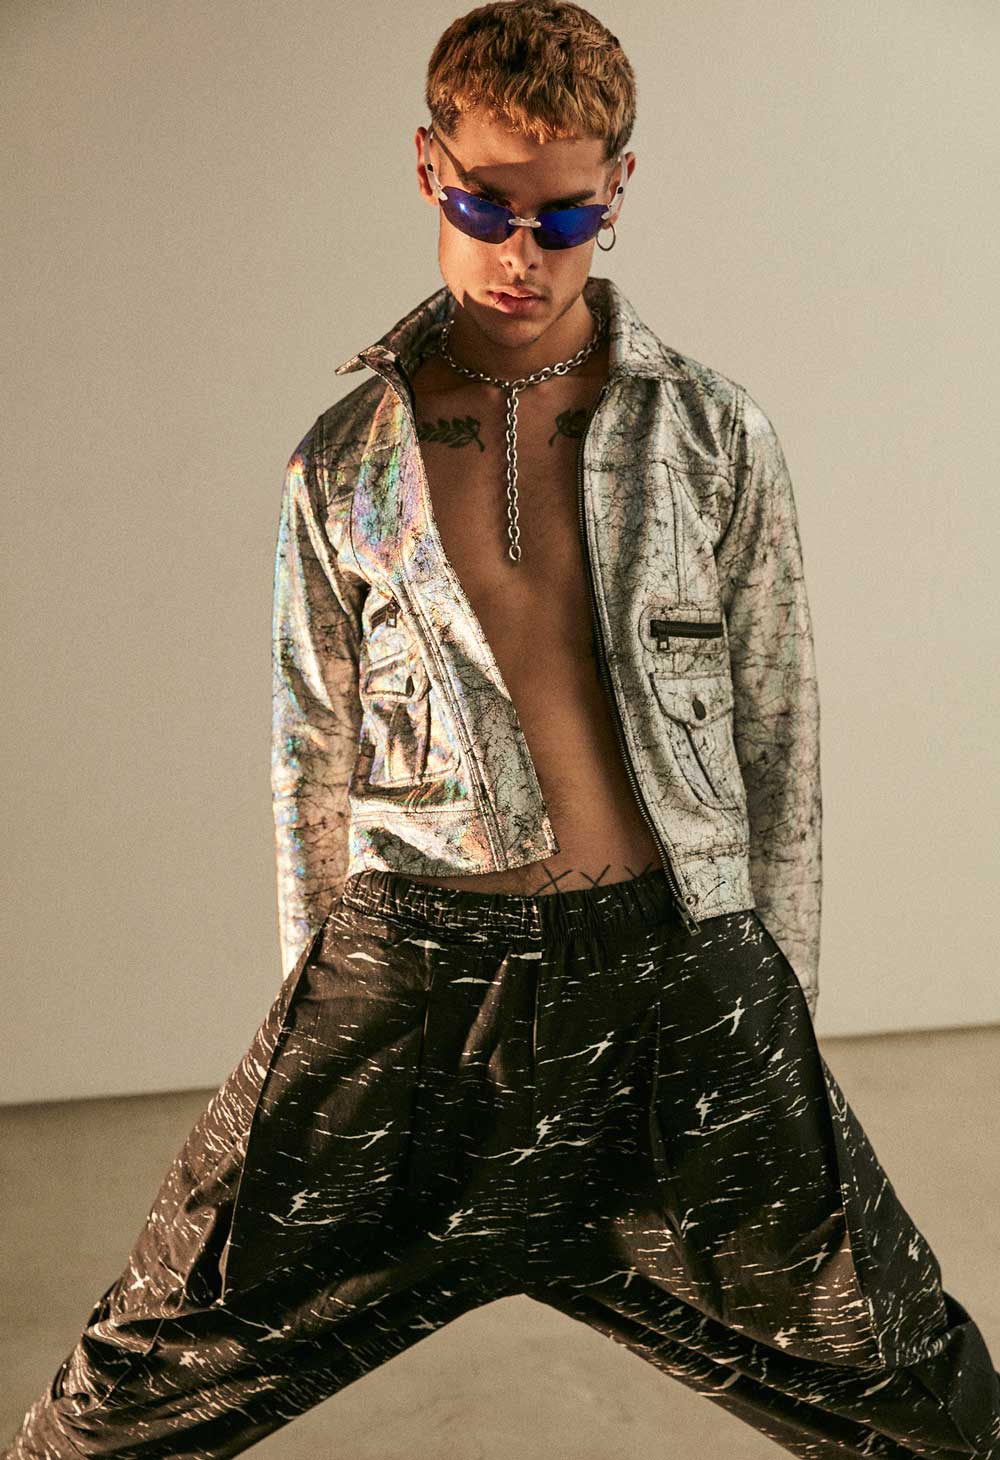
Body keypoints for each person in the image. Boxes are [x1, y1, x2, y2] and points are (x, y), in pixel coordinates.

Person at [5, 3, 998, 1456]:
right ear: (429, 169)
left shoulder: (713, 434)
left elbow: (778, 737)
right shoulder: (342, 464)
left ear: (619, 190)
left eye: (565, 215)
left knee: (917, 1388)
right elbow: (310, 764)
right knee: (130, 1392)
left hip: (672, 973)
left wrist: (773, 1003)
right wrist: (312, 1027)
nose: (522, 253)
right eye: (485, 207)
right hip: (413, 976)